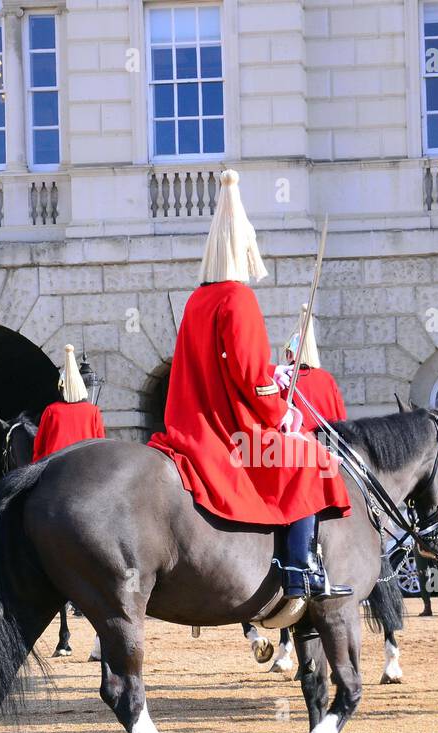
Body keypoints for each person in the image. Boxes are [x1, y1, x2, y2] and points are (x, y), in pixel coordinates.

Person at [148, 169, 351, 609]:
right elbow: (249, 376)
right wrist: (281, 410)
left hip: (191, 425)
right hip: (229, 432)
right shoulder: (237, 298)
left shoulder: (197, 299)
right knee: (309, 460)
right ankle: (300, 571)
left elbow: (228, 368)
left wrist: (270, 376)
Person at [32, 344, 106, 461]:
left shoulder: (51, 410)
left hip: (54, 463)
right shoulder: (93, 411)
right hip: (87, 461)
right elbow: (101, 442)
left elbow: (39, 445)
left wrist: (36, 464)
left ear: (61, 389)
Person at [277, 307, 346, 432]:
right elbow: (341, 416)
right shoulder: (327, 377)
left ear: (290, 354)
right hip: (331, 441)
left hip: (304, 442)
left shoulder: (287, 377)